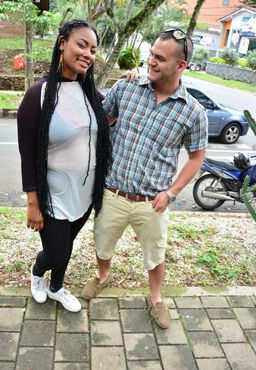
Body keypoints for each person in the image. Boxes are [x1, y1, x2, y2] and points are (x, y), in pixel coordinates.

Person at [81, 29, 208, 328]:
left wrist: (172, 192)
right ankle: (102, 276)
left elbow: (196, 158)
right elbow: (99, 121)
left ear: (180, 66)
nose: (151, 62)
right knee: (102, 244)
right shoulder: (126, 89)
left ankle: (156, 298)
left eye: (160, 59)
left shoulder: (193, 112)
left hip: (153, 201)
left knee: (155, 254)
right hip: (113, 192)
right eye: (151, 54)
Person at [17, 20, 111, 312]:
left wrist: (131, 81)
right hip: (53, 194)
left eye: (93, 49)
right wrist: (33, 203)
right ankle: (37, 272)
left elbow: (113, 119)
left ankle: (56, 287)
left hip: (85, 194)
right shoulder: (39, 95)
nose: (87, 54)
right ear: (62, 43)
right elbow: (27, 154)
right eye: (81, 44)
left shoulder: (93, 95)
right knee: (57, 253)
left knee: (67, 247)